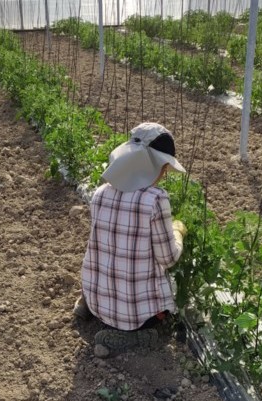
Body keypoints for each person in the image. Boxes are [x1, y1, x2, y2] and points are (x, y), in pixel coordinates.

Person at [74, 122, 188, 357]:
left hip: (98, 298)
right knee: (165, 312)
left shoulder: (101, 193)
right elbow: (167, 258)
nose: (164, 173)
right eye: (164, 167)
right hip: (135, 315)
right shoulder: (155, 200)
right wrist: (178, 232)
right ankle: (135, 335)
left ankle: (89, 307)